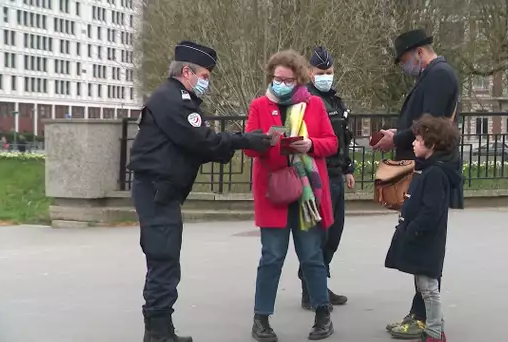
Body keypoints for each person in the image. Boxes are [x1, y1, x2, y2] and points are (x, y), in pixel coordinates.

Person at [127, 40, 272, 342]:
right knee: (164, 259)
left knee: (164, 259)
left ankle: (161, 330)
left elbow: (199, 144)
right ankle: (157, 333)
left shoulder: (175, 98)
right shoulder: (173, 99)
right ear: (187, 72)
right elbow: (201, 141)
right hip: (157, 190)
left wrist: (236, 141)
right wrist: (244, 140)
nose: (207, 81)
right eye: (205, 75)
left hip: (159, 190)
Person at [372, 28, 463, 336]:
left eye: (405, 61)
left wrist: (396, 138)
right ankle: (418, 312)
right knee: (420, 243)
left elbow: (430, 127)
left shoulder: (439, 75)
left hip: (428, 169)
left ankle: (424, 317)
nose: (404, 67)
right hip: (423, 165)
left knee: (425, 246)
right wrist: (396, 136)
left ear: (419, 53)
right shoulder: (434, 74)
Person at [244, 49, 338, 341]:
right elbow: (248, 146)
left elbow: (331, 143)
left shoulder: (315, 106)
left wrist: (309, 143)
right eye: (276, 79)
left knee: (311, 256)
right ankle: (261, 319)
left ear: (298, 79)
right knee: (271, 256)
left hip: (306, 193)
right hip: (274, 191)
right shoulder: (259, 105)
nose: (280, 84)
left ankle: (322, 314)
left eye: (286, 79)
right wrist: (265, 142)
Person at [384, 114, 462, 342]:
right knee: (424, 284)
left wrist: (413, 229)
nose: (412, 143)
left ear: (432, 145)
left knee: (428, 287)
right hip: (423, 237)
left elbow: (431, 210)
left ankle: (436, 331)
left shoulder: (436, 173)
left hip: (426, 239)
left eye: (417, 140)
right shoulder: (428, 169)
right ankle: (433, 327)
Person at [297, 46, 354, 311]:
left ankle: (321, 282)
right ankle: (310, 290)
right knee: (318, 235)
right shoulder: (306, 99)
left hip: (335, 174)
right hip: (317, 175)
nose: (326, 77)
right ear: (310, 73)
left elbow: (344, 139)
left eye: (329, 72)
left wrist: (348, 168)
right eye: (321, 73)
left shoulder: (335, 101)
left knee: (334, 234)